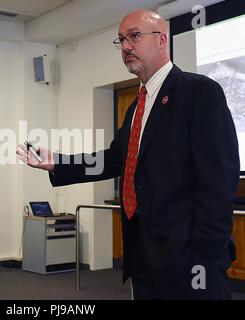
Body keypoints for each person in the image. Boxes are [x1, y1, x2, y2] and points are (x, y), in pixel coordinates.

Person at [17, 10, 240, 299]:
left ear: (161, 40)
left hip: (190, 259)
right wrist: (58, 161)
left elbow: (219, 180)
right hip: (143, 254)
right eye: (121, 39)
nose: (124, 46)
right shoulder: (136, 107)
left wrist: (204, 255)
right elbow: (115, 159)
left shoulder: (199, 92)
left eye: (134, 36)